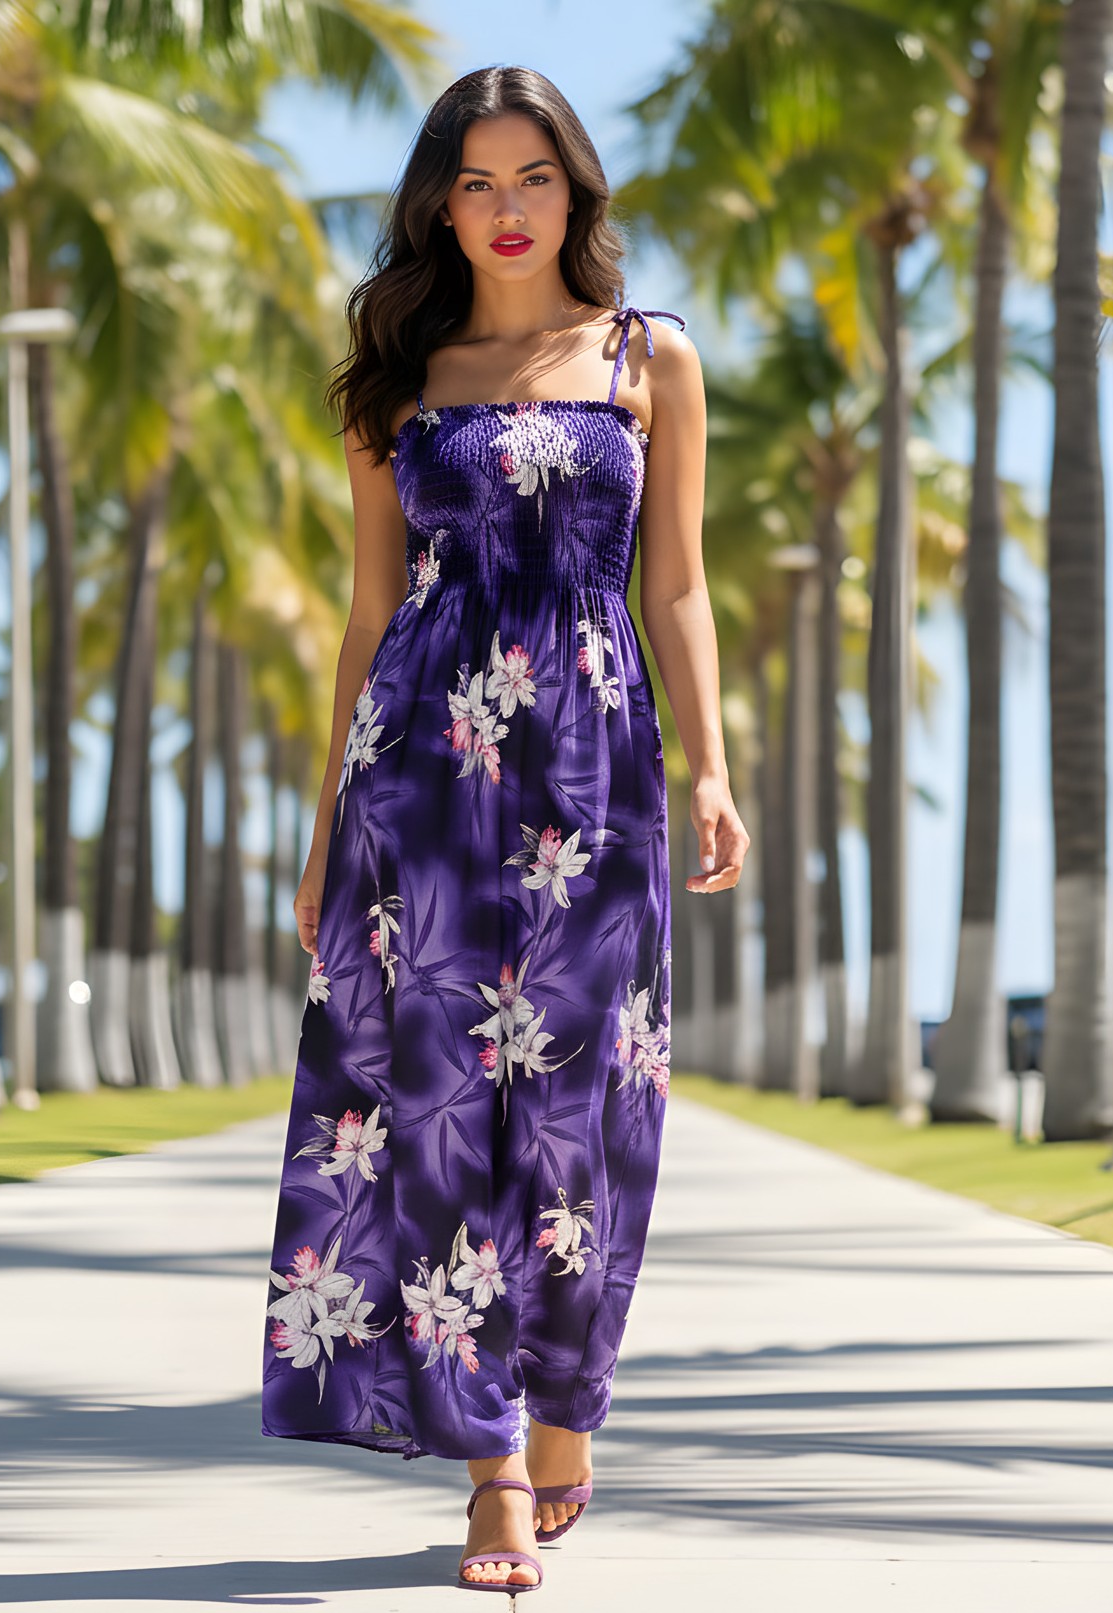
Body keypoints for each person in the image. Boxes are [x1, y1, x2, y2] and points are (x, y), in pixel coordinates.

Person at [261, 64, 749, 1598]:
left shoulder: (649, 356)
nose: (506, 207)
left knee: (589, 1106)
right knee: (442, 1112)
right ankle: (492, 1472)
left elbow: (677, 582)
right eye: (476, 181)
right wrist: (326, 828)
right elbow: (367, 612)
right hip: (423, 771)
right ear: (441, 205)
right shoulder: (401, 378)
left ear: (574, 189)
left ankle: (564, 1406)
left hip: (595, 767)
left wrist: (713, 768)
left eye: (532, 175)